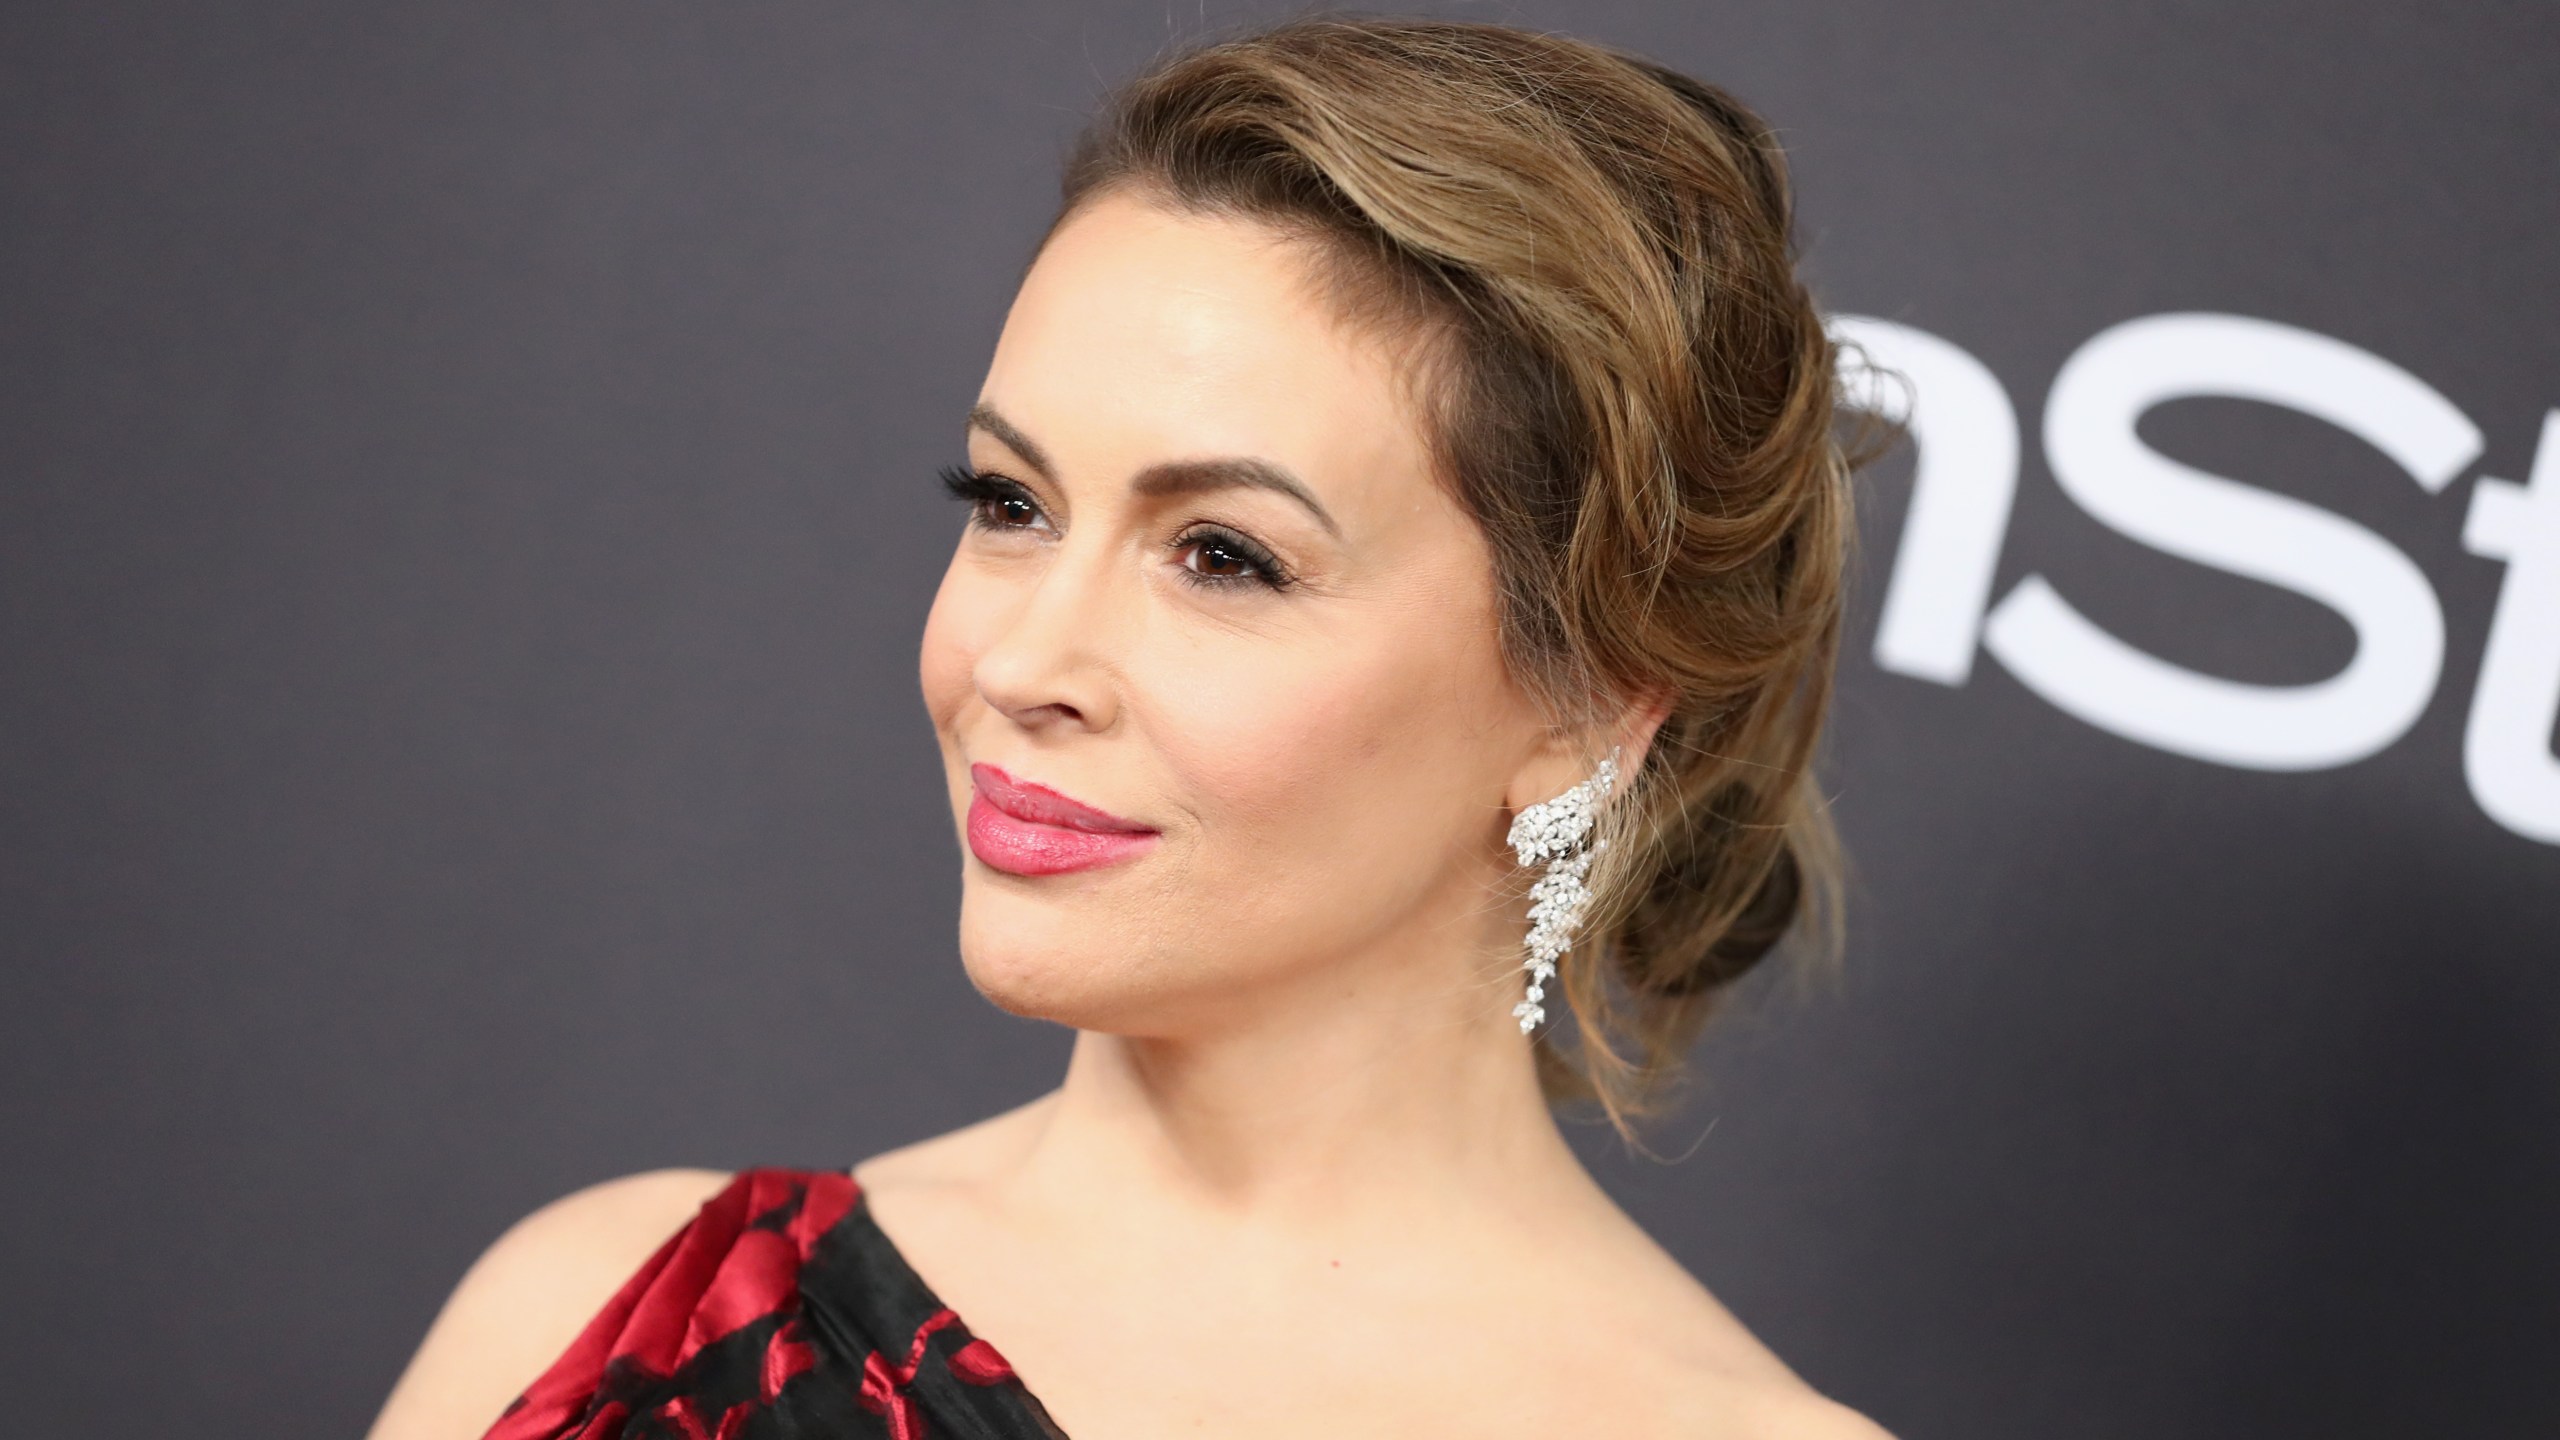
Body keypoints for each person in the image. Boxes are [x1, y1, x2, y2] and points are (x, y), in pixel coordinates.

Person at [368, 16, 1881, 1439]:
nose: (1023, 659)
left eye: (1224, 554)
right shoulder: (618, 1316)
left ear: (1587, 707)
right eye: (1011, 506)